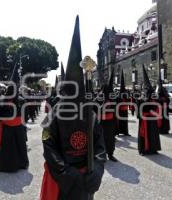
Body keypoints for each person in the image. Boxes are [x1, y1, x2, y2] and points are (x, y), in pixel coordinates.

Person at [40, 16, 106, 200]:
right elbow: (48, 147)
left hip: (86, 176)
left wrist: (98, 168)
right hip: (63, 179)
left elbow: (99, 145)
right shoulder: (53, 116)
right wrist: (67, 173)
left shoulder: (90, 114)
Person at [0, 63, 29, 172]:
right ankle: (22, 164)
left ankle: (6, 165)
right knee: (20, 145)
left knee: (7, 147)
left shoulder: (2, 100)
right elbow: (26, 115)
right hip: (18, 126)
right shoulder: (22, 100)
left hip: (7, 128)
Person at [137, 65, 161, 155]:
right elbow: (139, 109)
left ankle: (153, 148)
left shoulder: (153, 97)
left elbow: (157, 105)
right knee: (144, 134)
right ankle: (143, 150)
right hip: (144, 119)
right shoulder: (140, 99)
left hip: (152, 118)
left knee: (153, 134)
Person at [97, 69, 118, 162]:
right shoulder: (99, 96)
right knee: (101, 138)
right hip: (101, 121)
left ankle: (110, 154)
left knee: (110, 138)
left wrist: (111, 103)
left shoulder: (112, 97)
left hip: (110, 121)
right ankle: (101, 154)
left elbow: (116, 106)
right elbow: (95, 106)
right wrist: (103, 106)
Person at [116, 69, 130, 136]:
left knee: (125, 122)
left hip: (125, 110)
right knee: (120, 122)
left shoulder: (126, 95)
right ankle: (118, 132)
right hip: (120, 110)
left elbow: (128, 101)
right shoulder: (118, 96)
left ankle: (125, 132)